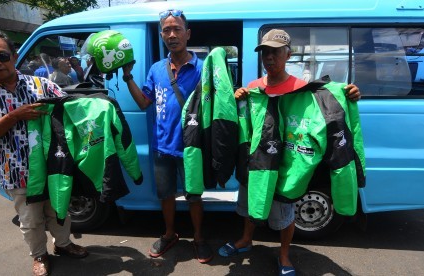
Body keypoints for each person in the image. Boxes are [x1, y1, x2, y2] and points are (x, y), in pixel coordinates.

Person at [218, 29, 361, 276]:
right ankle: (245, 240)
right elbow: (245, 123)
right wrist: (237, 98)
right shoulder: (253, 88)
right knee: (252, 201)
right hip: (258, 161)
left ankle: (284, 255)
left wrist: (350, 95)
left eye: (275, 51)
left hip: (288, 163)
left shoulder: (304, 89)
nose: (269, 57)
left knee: (285, 212)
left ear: (288, 54)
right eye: (265, 52)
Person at [0, 30, 88, 276]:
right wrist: (14, 116)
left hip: (53, 167)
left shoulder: (42, 85)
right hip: (17, 171)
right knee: (31, 220)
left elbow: (70, 112)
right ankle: (39, 255)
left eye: (2, 55)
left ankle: (63, 245)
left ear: (14, 55)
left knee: (59, 210)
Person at [121, 9, 213, 264]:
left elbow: (216, 104)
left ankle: (198, 238)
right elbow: (144, 103)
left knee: (194, 195)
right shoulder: (156, 69)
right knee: (166, 194)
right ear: (162, 35)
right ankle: (170, 234)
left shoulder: (203, 68)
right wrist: (128, 77)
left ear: (188, 33)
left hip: (192, 148)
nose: (172, 35)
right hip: (162, 146)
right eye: (167, 30)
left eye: (177, 29)